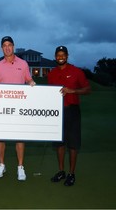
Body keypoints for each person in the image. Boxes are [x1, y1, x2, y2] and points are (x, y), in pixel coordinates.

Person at [0, 36, 36, 181]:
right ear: (1, 48)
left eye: (10, 45)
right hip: (2, 108)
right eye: (4, 45)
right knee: (0, 137)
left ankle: (20, 167)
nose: (7, 47)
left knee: (19, 137)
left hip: (19, 108)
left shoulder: (23, 64)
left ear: (14, 47)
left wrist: (31, 81)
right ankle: (1, 164)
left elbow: (28, 79)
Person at [48, 45, 91, 186]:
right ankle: (61, 171)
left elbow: (87, 89)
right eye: (58, 55)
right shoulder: (51, 73)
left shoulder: (76, 71)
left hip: (72, 111)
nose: (60, 57)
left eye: (63, 55)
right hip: (57, 113)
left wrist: (72, 91)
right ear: (55, 57)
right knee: (59, 144)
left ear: (67, 56)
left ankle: (72, 174)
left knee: (72, 145)